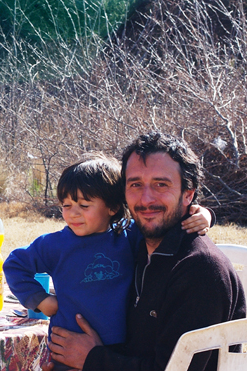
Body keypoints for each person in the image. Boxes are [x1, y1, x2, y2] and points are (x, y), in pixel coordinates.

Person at [46, 133, 246, 371]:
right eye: (135, 184)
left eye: (161, 184)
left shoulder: (199, 269)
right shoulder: (136, 248)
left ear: (188, 194)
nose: (146, 198)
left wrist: (93, 359)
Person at [3, 154, 213, 371]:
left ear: (112, 207)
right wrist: (41, 300)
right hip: (68, 349)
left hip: (121, 350)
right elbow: (14, 265)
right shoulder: (55, 245)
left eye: (84, 205)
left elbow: (167, 222)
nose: (73, 213)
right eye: (66, 205)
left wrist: (205, 215)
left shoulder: (127, 236)